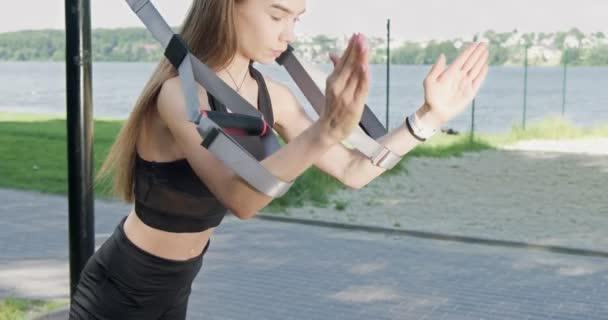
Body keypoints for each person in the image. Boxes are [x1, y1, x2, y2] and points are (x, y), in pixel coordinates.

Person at [68, 0, 489, 319]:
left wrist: (428, 117)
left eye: (296, 19)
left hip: (175, 286)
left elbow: (353, 170)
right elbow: (242, 199)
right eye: (276, 16)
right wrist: (325, 131)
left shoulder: (276, 97)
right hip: (119, 288)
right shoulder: (179, 95)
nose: (288, 33)